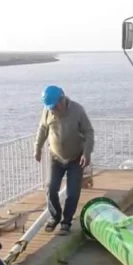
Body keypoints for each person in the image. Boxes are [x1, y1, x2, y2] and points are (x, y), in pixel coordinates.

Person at [34, 85, 95, 236]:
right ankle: (55, 216)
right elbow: (42, 129)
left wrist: (86, 153)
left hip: (75, 159)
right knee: (51, 188)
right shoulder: (47, 112)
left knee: (72, 193)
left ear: (62, 99)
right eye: (51, 107)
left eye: (55, 106)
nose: (53, 109)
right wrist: (37, 148)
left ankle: (66, 222)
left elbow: (89, 132)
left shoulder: (77, 110)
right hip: (56, 158)